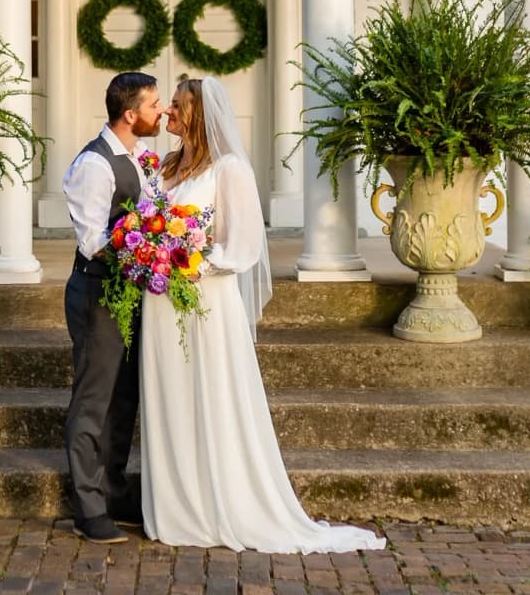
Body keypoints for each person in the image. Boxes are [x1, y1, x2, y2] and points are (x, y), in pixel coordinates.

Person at [139, 76, 386, 552]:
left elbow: (245, 244)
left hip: (206, 302)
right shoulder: (168, 165)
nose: (167, 112)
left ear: (196, 113)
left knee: (212, 397)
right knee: (170, 397)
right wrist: (153, 253)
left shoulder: (230, 169)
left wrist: (191, 262)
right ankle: (177, 508)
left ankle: (222, 505)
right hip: (160, 303)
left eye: (175, 105)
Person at [61, 70, 164, 543]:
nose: (160, 111)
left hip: (130, 293)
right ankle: (87, 507)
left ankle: (114, 490)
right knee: (93, 401)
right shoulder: (94, 165)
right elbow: (92, 243)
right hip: (98, 294)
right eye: (153, 105)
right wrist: (149, 249)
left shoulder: (139, 157)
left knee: (125, 399)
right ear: (130, 114)